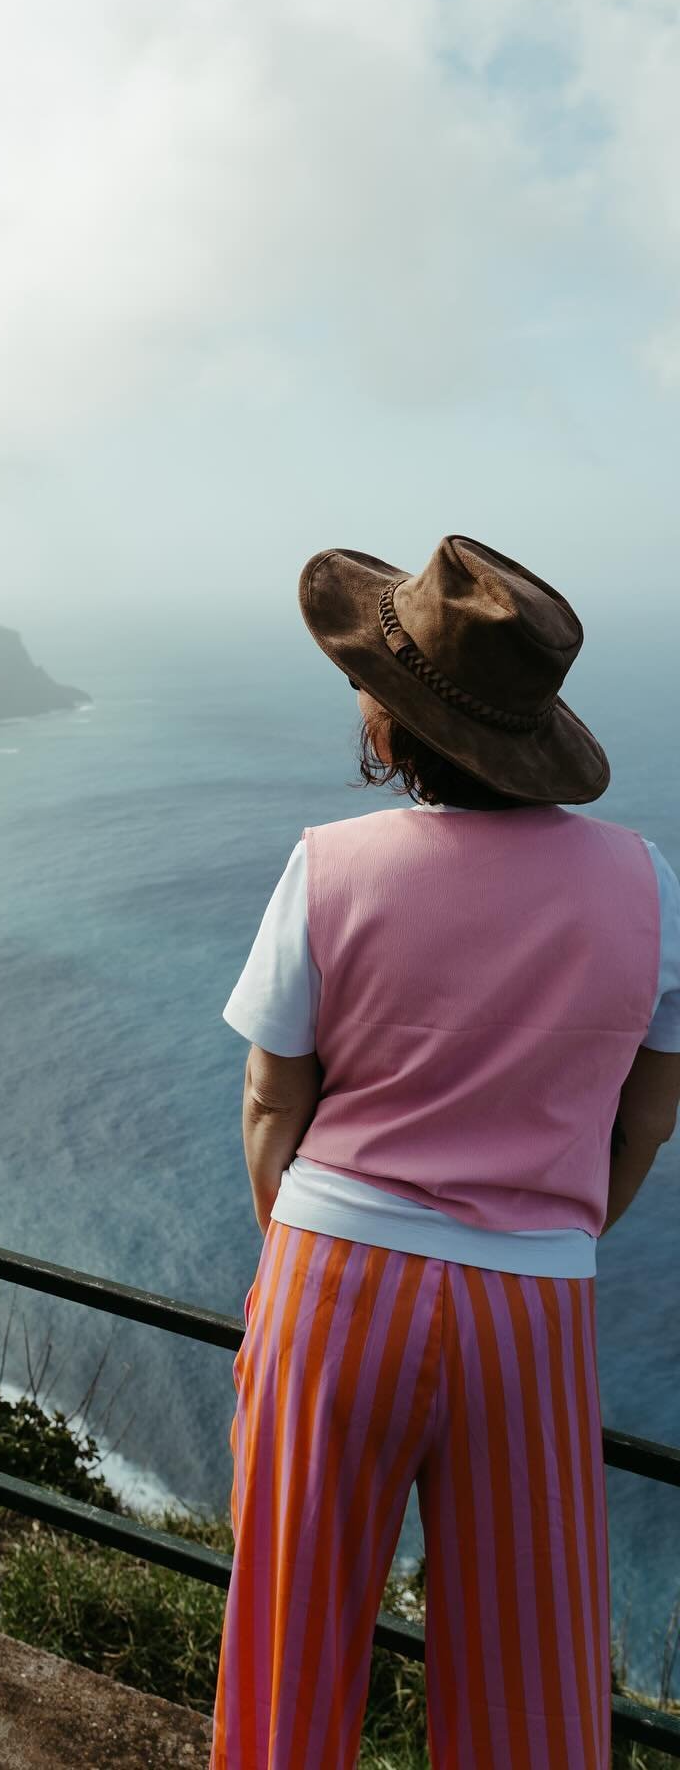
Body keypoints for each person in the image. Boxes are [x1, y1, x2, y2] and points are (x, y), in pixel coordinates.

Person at [208, 536, 680, 1769]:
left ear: (396, 716)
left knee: (290, 1632)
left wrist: (306, 1253)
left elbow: (272, 1103)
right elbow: (645, 1114)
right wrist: (554, 1228)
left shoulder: (328, 865)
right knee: (529, 1665)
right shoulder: (646, 883)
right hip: (529, 1304)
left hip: (332, 1277)